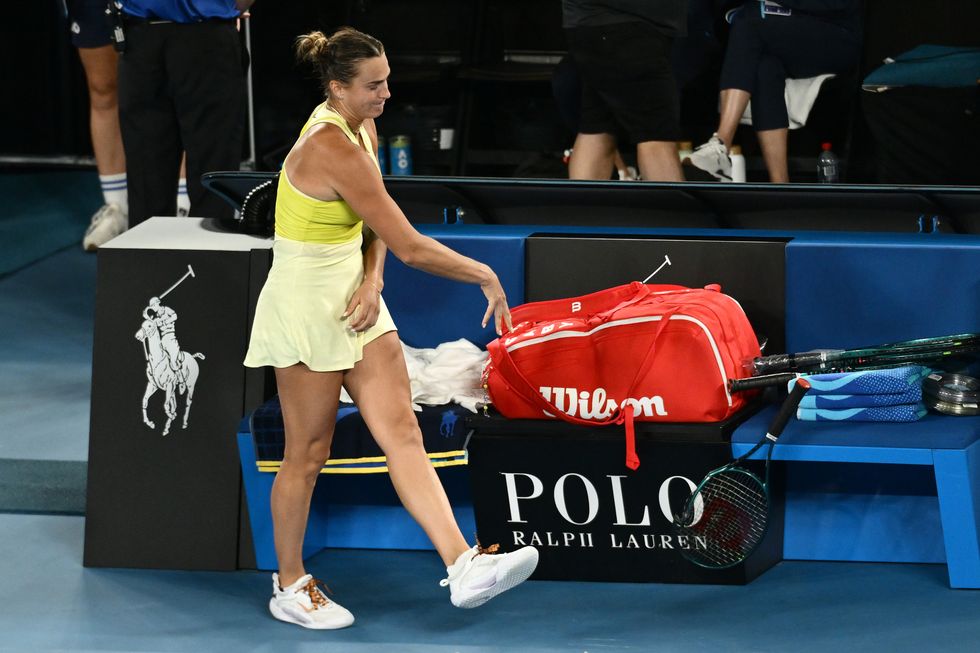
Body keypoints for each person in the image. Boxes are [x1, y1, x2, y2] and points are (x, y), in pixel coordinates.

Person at [243, 27, 539, 630]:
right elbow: (410, 243)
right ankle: (290, 583)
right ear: (337, 89)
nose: (386, 92)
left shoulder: (362, 125)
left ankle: (463, 564)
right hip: (305, 302)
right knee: (308, 452)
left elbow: (374, 226)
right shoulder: (332, 146)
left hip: (357, 295)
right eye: (373, 84)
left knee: (402, 429)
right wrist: (485, 273)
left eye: (386, 80)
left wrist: (371, 278)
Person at [687, 0, 862, 182]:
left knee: (749, 21)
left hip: (838, 33)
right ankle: (780, 182)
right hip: (783, 27)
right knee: (764, 66)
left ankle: (721, 144)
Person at [116, 0, 251, 227]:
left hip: (148, 37)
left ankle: (159, 258)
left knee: (155, 177)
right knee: (209, 173)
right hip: (192, 35)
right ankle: (205, 258)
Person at [561, 0, 687, 182]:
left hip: (587, 24)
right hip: (629, 29)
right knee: (656, 134)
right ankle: (674, 209)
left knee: (597, 126)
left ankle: (583, 208)